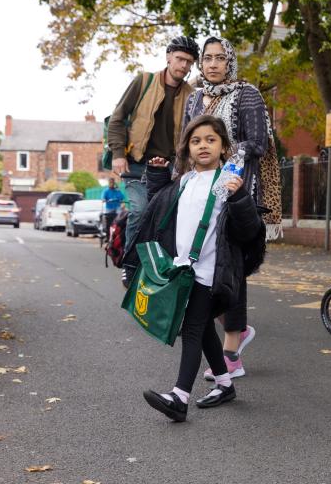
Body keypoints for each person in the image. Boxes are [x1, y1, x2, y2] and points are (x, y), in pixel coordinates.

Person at [130, 115, 265, 422]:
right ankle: (224, 383)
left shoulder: (228, 182)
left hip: (210, 271)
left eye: (210, 140)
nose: (203, 145)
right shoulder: (185, 181)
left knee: (191, 328)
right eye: (196, 141)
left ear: (223, 147)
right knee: (202, 328)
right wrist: (157, 176)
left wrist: (241, 197)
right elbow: (159, 210)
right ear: (187, 149)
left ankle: (179, 397)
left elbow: (248, 231)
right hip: (183, 269)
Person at [183, 36, 281, 381]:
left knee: (231, 268)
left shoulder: (246, 93)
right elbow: (187, 140)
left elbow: (259, 141)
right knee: (206, 267)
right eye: (207, 58)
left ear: (230, 62)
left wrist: (226, 154)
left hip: (239, 194)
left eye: (220, 58)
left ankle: (231, 353)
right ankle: (239, 331)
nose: (212, 64)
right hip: (201, 194)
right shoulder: (195, 97)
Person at [107, 35, 200, 263]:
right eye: (179, 59)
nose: (183, 65)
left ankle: (156, 266)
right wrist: (118, 154)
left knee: (167, 218)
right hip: (137, 164)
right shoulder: (144, 82)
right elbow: (117, 119)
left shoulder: (191, 96)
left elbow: (192, 136)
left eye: (189, 62)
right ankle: (129, 263)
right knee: (139, 211)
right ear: (168, 57)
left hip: (169, 169)